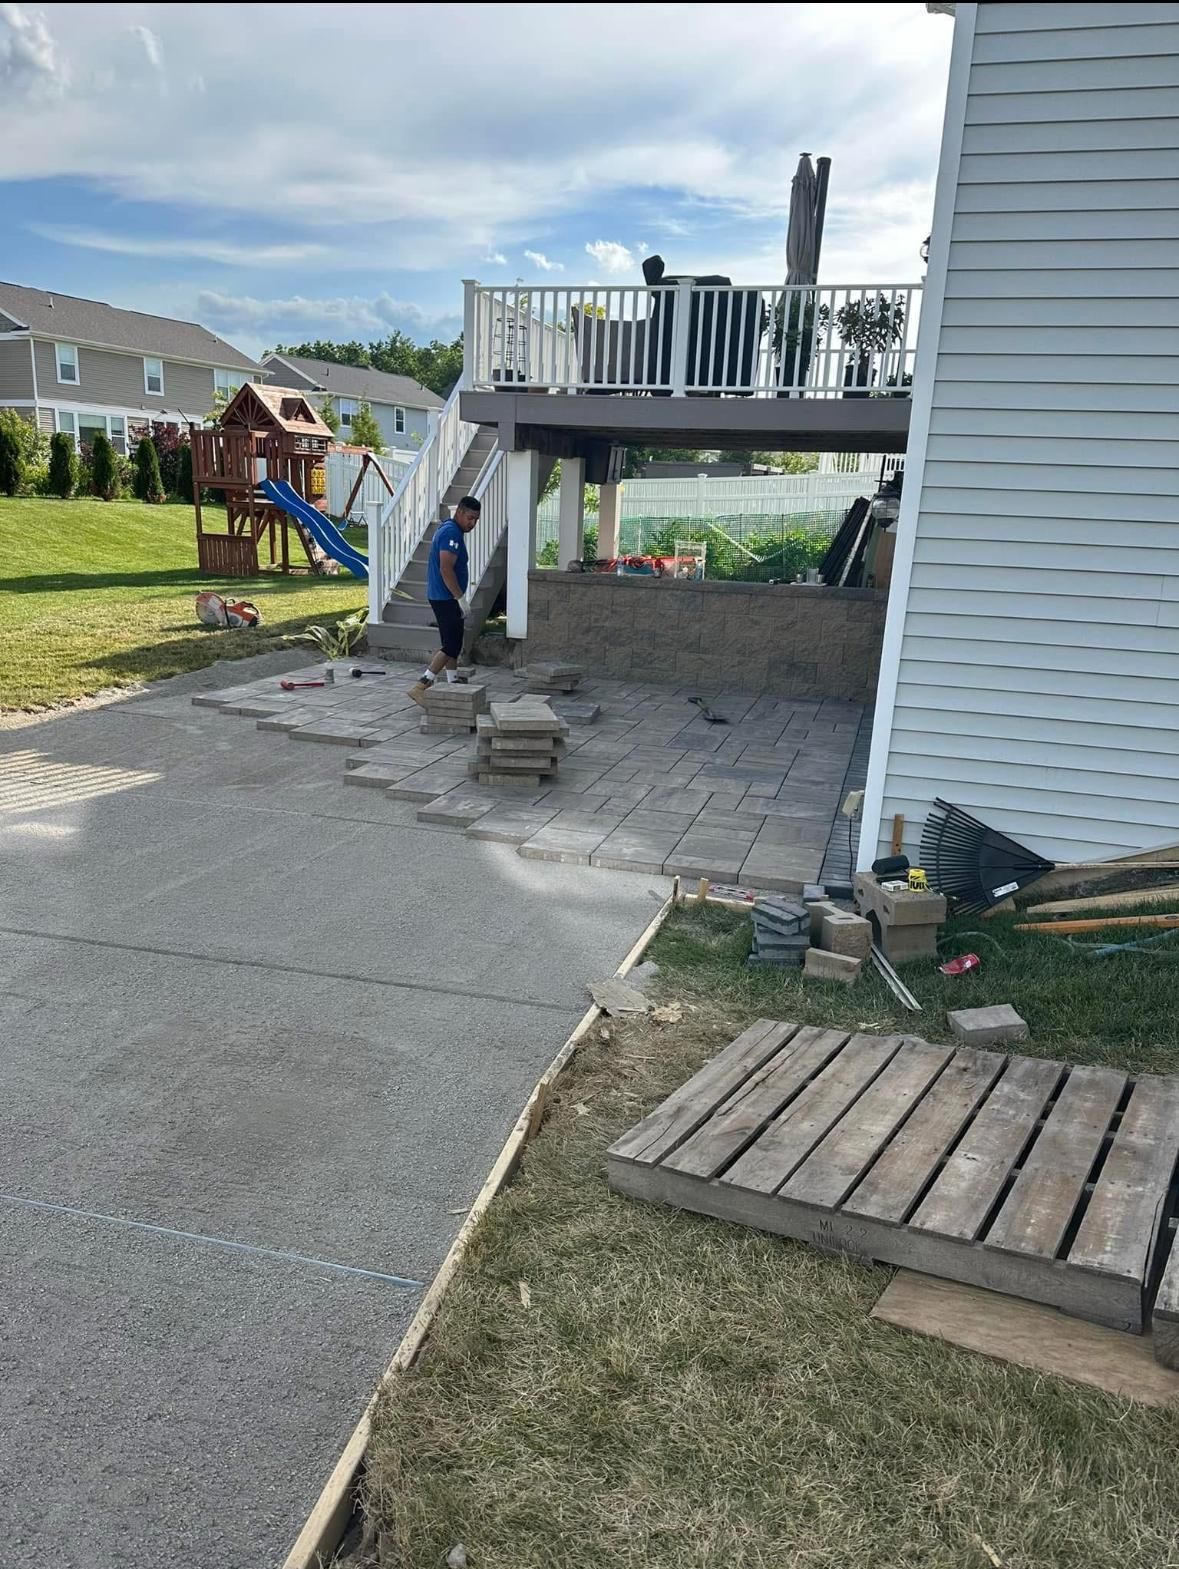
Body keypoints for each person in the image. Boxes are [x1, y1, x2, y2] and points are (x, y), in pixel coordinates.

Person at [407, 497, 481, 704]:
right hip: (446, 597)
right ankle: (421, 685)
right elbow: (446, 569)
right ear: (459, 513)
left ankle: (452, 680)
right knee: (451, 645)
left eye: (476, 519)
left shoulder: (449, 528)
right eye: (470, 518)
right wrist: (460, 599)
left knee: (452, 641)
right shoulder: (451, 533)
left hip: (442, 595)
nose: (473, 523)